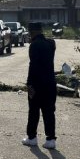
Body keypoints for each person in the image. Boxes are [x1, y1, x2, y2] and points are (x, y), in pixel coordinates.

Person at [23, 21, 58, 149]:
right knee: (49, 111)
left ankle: (32, 137)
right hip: (50, 82)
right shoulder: (51, 43)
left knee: (34, 111)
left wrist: (29, 84)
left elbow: (33, 66)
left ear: (32, 32)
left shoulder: (34, 45)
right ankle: (51, 139)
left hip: (37, 83)